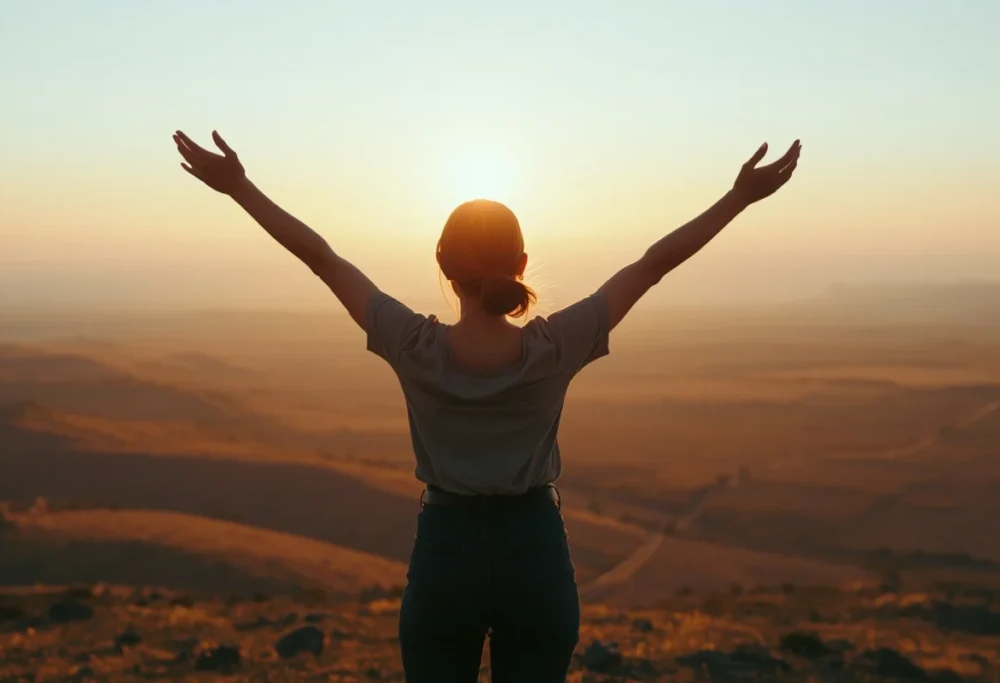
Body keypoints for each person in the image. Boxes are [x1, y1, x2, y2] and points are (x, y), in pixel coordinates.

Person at [172, 130, 801, 681]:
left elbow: (323, 260)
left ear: (443, 268)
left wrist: (241, 189)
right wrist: (738, 198)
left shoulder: (413, 345)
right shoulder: (555, 346)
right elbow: (653, 265)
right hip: (535, 549)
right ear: (522, 265)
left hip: (446, 549)